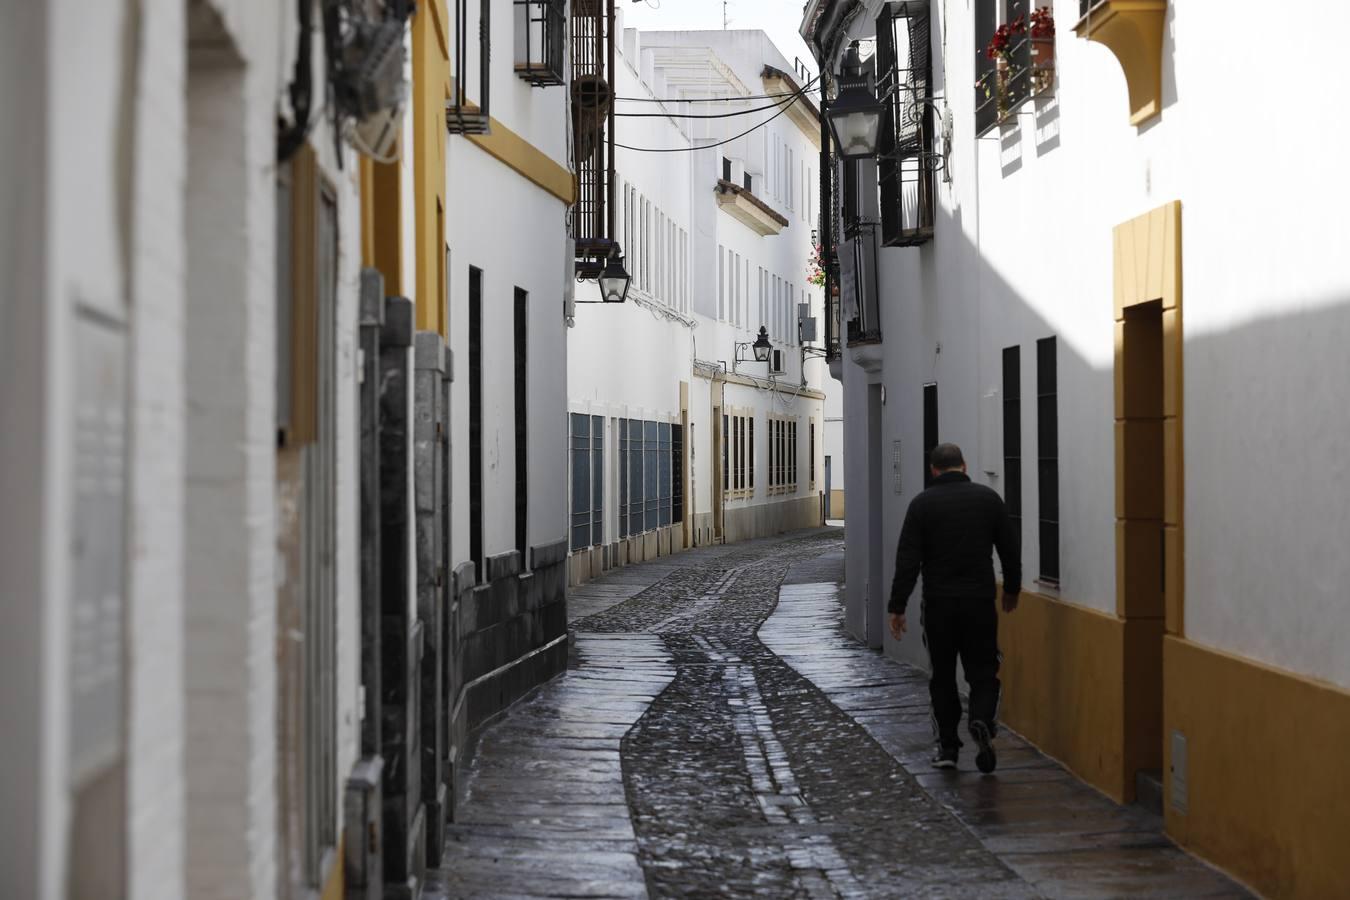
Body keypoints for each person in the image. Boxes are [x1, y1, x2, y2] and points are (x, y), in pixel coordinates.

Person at [888, 442, 1021, 773]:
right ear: (964, 465)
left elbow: (908, 560)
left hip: (939, 605)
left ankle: (947, 747)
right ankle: (981, 720)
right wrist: (1013, 588)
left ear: (934, 470)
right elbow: (1009, 547)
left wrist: (897, 606)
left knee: (942, 676)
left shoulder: (921, 505)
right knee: (984, 670)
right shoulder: (989, 500)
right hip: (979, 602)